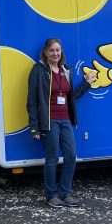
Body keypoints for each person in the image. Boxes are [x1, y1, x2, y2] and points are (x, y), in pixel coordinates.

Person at [27, 38, 95, 207]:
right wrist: (34, 126)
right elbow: (32, 101)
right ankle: (51, 195)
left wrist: (87, 84)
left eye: (58, 50)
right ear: (45, 52)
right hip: (49, 121)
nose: (55, 53)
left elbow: (71, 97)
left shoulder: (66, 70)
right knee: (52, 158)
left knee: (71, 156)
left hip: (65, 120)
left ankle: (65, 193)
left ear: (61, 52)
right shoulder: (38, 71)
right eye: (52, 50)